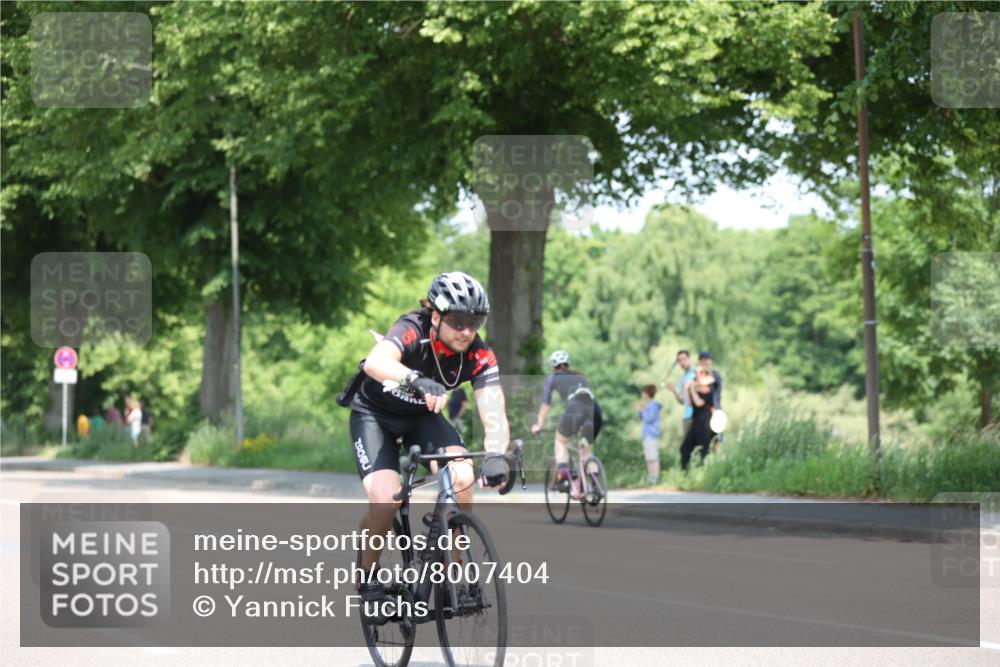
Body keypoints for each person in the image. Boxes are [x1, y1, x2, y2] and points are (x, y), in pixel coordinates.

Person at [340, 271, 512, 622]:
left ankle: (455, 561)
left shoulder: (479, 353)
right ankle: (369, 578)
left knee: (462, 475)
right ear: (435, 315)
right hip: (375, 416)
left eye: (475, 321)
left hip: (421, 418)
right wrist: (414, 377)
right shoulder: (412, 328)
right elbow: (376, 362)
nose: (467, 330)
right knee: (387, 501)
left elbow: (493, 409)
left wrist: (496, 454)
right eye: (458, 321)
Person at [531, 350, 603, 492]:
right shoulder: (581, 376)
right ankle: (596, 487)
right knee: (587, 452)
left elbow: (546, 404)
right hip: (595, 411)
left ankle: (563, 479)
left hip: (576, 409)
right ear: (568, 364)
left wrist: (539, 425)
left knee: (560, 441)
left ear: (553, 367)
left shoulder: (552, 378)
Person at [679, 363, 717, 471]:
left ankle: (704, 472)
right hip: (695, 422)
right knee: (684, 448)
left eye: (699, 372)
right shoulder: (695, 388)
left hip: (705, 422)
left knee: (704, 450)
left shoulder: (709, 389)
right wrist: (687, 389)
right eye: (696, 372)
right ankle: (685, 472)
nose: (697, 374)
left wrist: (692, 389)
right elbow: (690, 403)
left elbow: (699, 403)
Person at [635, 385, 662, 485]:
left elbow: (650, 419)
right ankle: (651, 476)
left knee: (654, 457)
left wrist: (642, 410)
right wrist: (640, 411)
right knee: (648, 457)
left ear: (647, 393)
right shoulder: (648, 405)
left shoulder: (653, 405)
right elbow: (644, 418)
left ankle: (655, 477)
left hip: (652, 434)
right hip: (647, 435)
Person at [667, 350, 696, 438]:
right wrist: (674, 391)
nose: (682, 362)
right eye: (679, 361)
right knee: (687, 449)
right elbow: (682, 401)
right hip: (687, 417)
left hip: (699, 415)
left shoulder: (697, 373)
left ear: (689, 359)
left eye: (684, 359)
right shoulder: (682, 379)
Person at [698, 351, 723, 448]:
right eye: (702, 361)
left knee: (718, 440)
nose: (705, 363)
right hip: (703, 415)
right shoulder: (699, 376)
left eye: (706, 361)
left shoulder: (715, 375)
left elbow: (706, 381)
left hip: (716, 411)